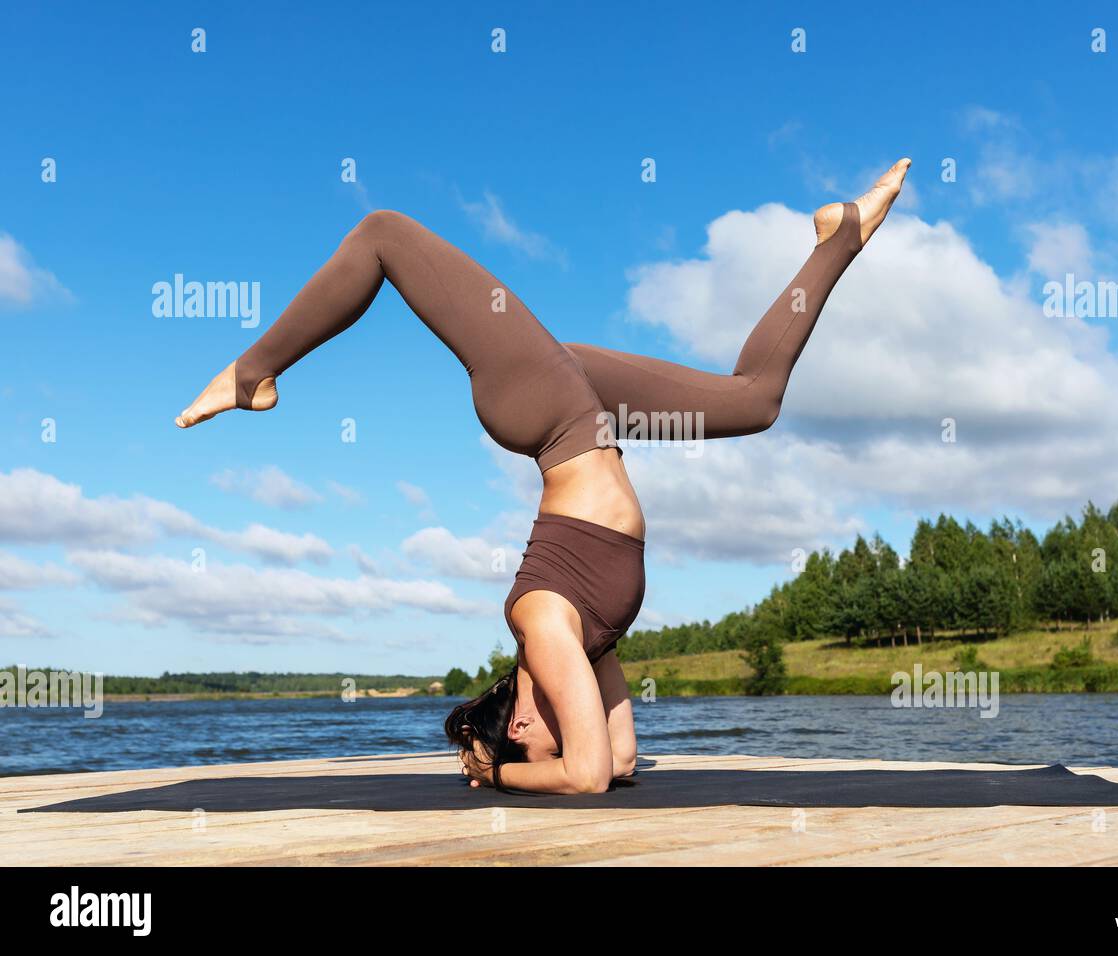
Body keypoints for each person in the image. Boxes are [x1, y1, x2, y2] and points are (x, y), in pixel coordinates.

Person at [176, 158, 912, 793]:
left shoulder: (541, 625)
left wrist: (494, 769)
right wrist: (509, 768)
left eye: (533, 737)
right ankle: (839, 237)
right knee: (756, 401)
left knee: (383, 234)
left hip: (545, 410)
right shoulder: (583, 647)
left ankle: (253, 374)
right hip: (574, 398)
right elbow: (613, 764)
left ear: (521, 718)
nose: (559, 730)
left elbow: (583, 774)